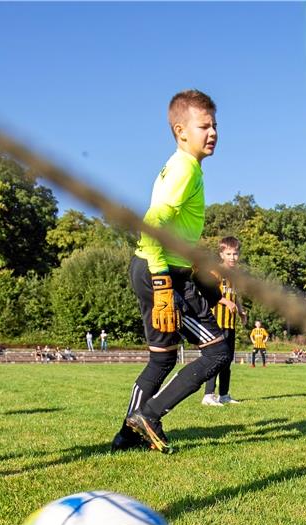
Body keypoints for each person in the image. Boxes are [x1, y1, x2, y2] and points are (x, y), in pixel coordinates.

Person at [112, 89, 232, 454]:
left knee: (162, 357)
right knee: (217, 352)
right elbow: (152, 223)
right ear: (181, 131)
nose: (213, 133)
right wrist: (165, 284)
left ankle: (127, 435)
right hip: (160, 273)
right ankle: (149, 415)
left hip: (149, 268)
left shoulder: (178, 165)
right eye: (204, 126)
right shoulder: (185, 167)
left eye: (215, 126)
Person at [201, 236, 245, 406]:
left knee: (227, 359)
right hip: (216, 322)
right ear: (221, 254)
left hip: (230, 323)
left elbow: (235, 295)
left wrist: (240, 309)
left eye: (235, 254)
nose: (232, 257)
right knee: (216, 358)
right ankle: (208, 395)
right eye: (228, 254)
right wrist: (226, 302)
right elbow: (207, 292)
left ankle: (224, 395)